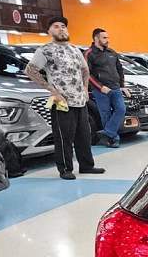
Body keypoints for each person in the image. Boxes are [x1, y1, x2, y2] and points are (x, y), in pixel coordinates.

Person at [25, 16, 105, 180]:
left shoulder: (74, 49)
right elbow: (30, 70)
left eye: (63, 26)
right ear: (49, 31)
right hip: (62, 102)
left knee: (84, 136)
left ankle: (86, 165)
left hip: (80, 101)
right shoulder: (45, 50)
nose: (61, 28)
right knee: (64, 137)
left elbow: (85, 70)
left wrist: (85, 88)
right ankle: (65, 169)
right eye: (56, 26)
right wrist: (52, 91)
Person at [86, 28, 129, 147]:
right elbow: (87, 74)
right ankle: (112, 139)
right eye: (104, 38)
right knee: (106, 114)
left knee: (121, 109)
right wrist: (100, 87)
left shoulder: (112, 52)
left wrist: (122, 86)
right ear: (96, 38)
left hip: (115, 88)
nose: (107, 40)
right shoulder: (89, 53)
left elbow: (120, 69)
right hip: (100, 91)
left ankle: (108, 132)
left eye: (107, 37)